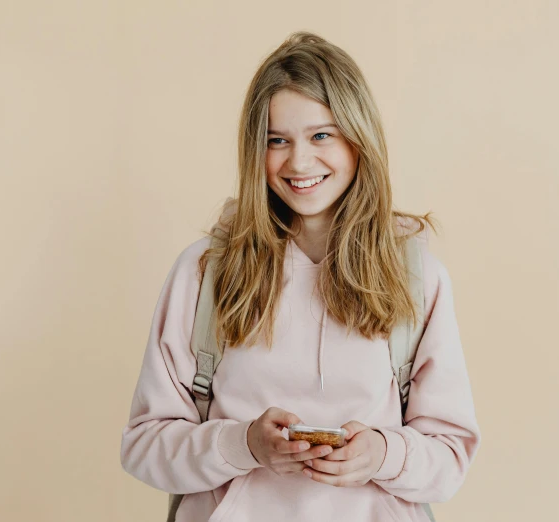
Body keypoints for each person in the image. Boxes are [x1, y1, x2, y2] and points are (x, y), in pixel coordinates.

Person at [120, 31, 481, 522]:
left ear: (359, 139)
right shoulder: (205, 272)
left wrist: (381, 454)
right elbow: (144, 445)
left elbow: (450, 456)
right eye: (277, 141)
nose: (299, 161)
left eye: (321, 135)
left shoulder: (417, 279)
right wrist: (243, 443)